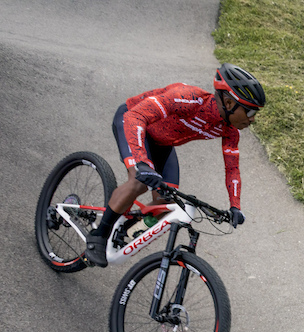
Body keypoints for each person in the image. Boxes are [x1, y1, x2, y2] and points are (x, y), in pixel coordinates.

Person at [83, 63, 267, 267]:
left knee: (167, 202)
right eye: (250, 113)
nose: (252, 120)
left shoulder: (230, 130)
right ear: (229, 102)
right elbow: (135, 117)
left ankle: (125, 228)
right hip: (133, 122)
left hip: (162, 143)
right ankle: (98, 236)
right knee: (138, 183)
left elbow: (232, 168)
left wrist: (235, 206)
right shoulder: (188, 98)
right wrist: (142, 162)